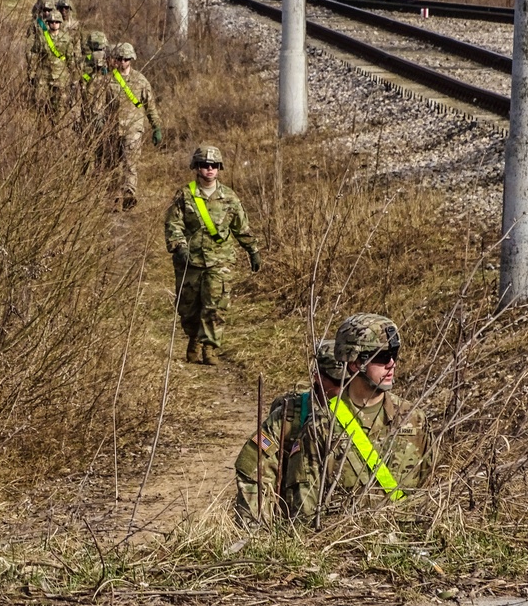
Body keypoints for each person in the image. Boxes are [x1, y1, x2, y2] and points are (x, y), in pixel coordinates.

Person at [234, 314, 431, 525]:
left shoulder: (412, 419)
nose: (391, 364)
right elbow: (258, 473)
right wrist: (255, 531)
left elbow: (428, 486)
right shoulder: (309, 423)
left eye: (394, 355)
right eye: (382, 357)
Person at [164, 145, 261, 365]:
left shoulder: (229, 197)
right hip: (190, 261)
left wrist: (252, 250)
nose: (209, 169)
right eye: (205, 165)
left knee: (215, 306)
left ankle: (209, 348)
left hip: (220, 260)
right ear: (196, 167)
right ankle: (193, 339)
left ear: (219, 168)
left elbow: (241, 227)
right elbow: (173, 223)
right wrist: (180, 246)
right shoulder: (185, 195)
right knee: (188, 308)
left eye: (214, 166)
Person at [233, 339, 345, 524]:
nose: (345, 388)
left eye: (351, 381)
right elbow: (254, 473)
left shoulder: (370, 416)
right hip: (295, 526)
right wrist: (254, 532)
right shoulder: (289, 417)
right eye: (338, 381)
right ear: (317, 376)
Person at [101, 42, 163, 208]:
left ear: (131, 60)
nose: (123, 62)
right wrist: (99, 121)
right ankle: (112, 197)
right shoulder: (108, 80)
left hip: (133, 128)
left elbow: (150, 106)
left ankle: (129, 194)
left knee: (130, 162)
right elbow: (100, 104)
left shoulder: (140, 81)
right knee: (111, 163)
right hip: (112, 128)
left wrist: (156, 127)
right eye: (120, 59)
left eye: (126, 59)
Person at [26, 9, 80, 119]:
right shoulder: (42, 38)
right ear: (48, 23)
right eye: (51, 22)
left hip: (61, 78)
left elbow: (71, 59)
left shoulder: (66, 39)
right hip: (43, 76)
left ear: (60, 23)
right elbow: (34, 55)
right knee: (39, 105)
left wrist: (74, 77)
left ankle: (57, 132)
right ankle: (41, 130)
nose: (54, 24)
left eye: (56, 22)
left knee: (59, 107)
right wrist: (31, 72)